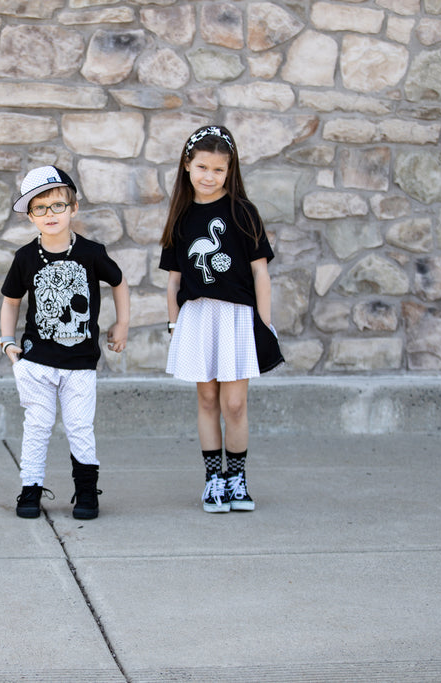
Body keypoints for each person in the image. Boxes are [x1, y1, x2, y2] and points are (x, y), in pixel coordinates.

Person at [158, 125, 283, 514]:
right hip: (198, 317)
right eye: (202, 167)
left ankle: (237, 478)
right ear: (187, 165)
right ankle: (214, 480)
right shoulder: (181, 217)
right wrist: (174, 325)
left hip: (237, 319)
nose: (209, 176)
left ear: (230, 171)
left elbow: (261, 273)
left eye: (218, 169)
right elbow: (174, 281)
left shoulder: (243, 213)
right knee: (208, 398)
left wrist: (263, 324)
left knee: (235, 404)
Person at [1, 165, 130, 520]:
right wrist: (7, 342)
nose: (50, 214)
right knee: (37, 427)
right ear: (30, 216)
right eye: (40, 208)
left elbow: (119, 281)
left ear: (74, 208)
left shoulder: (91, 253)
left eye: (57, 205)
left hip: (80, 363)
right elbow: (11, 301)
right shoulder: (25, 258)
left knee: (79, 427)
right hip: (36, 362)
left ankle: (87, 491)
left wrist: (122, 323)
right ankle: (30, 489)